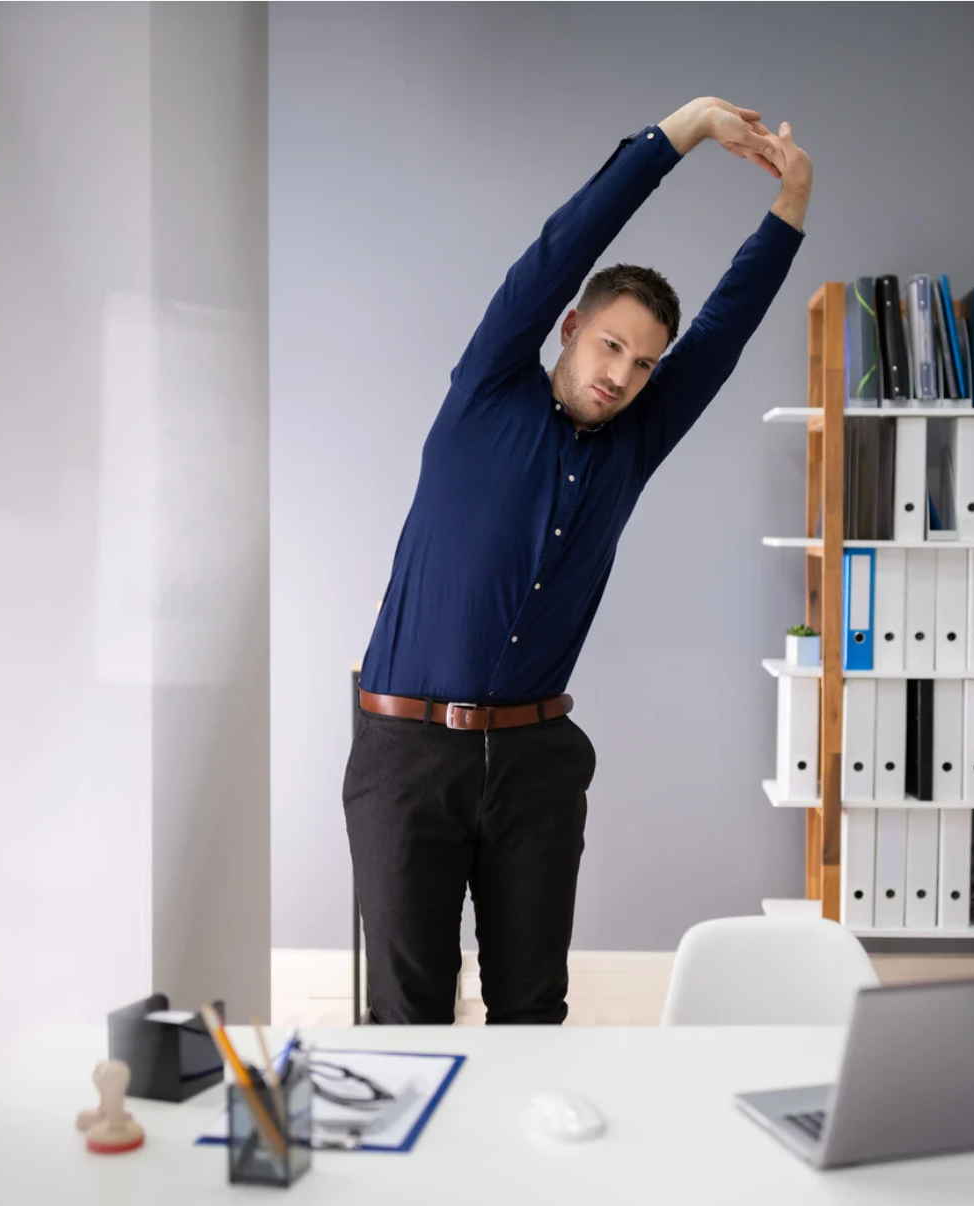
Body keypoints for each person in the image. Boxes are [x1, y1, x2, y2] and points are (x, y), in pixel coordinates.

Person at [344, 96, 813, 1025]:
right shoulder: (488, 385)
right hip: (407, 756)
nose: (622, 374)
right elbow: (568, 241)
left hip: (536, 763)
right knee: (408, 1021)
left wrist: (792, 202)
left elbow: (724, 330)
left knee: (533, 1015)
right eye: (610, 345)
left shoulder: (633, 444)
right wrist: (680, 133)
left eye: (643, 365)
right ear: (567, 329)